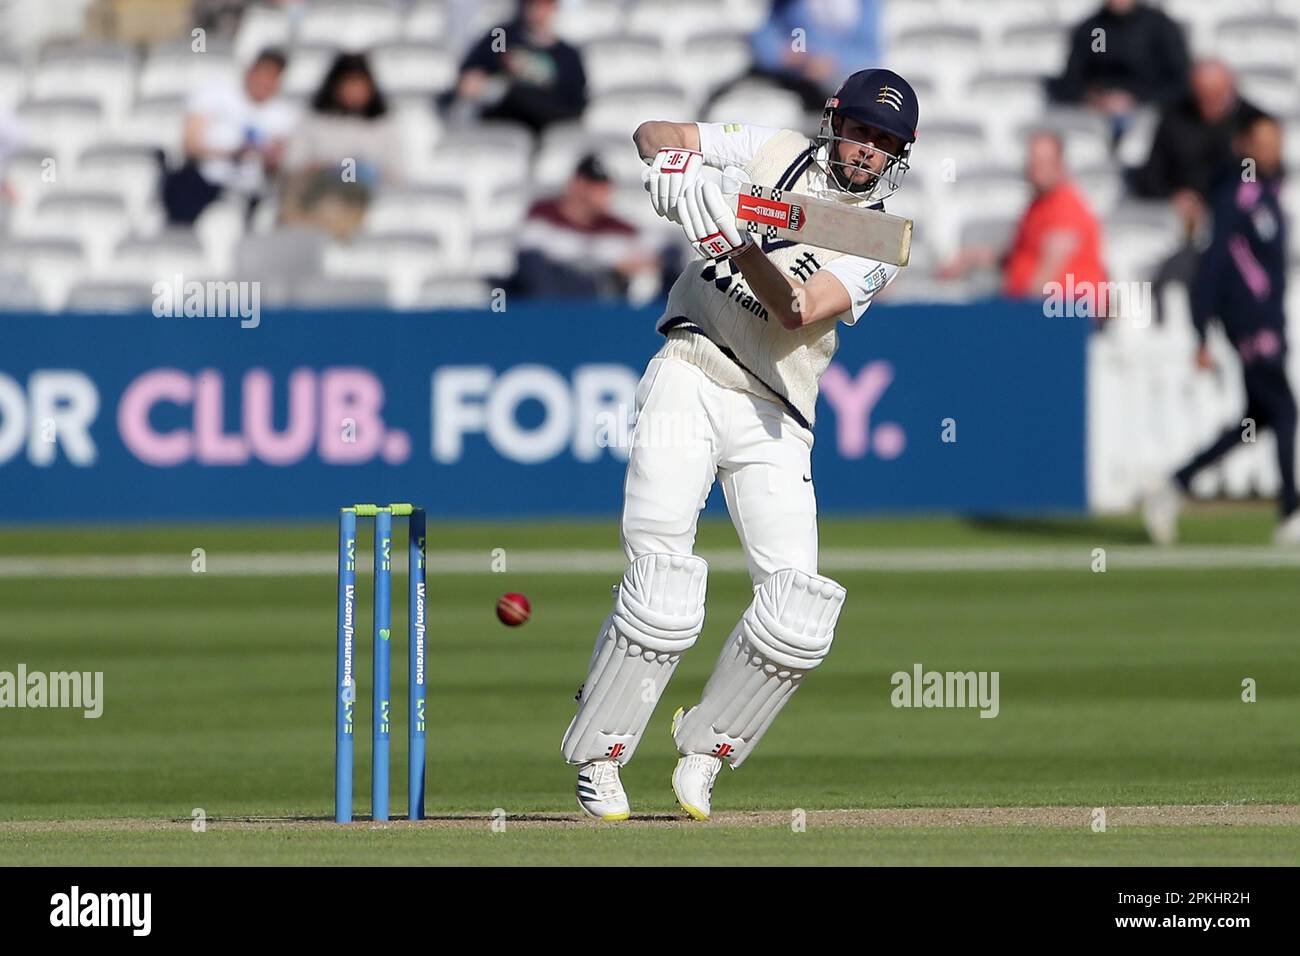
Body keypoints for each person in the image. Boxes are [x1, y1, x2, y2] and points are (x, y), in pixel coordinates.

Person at [559, 69, 917, 821]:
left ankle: (705, 745)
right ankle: (601, 752)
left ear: (899, 158)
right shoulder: (774, 150)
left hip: (776, 410)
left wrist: (735, 242)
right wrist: (669, 167)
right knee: (662, 587)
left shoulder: (878, 240)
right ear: (833, 122)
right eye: (860, 132)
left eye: (885, 145)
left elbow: (795, 309)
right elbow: (656, 131)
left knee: (798, 612)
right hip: (691, 368)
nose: (867, 153)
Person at [1143, 114, 1298, 546]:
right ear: (1245, 146)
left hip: (1269, 322)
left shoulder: (1268, 193)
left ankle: (1173, 485)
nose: (1271, 150)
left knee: (1258, 419)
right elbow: (1212, 268)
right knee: (1285, 409)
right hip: (1249, 325)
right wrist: (1201, 331)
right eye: (1263, 142)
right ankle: (1291, 512)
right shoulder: (1238, 194)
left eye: (1276, 141)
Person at [1130, 60, 1265, 319]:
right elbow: (1149, 175)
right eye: (1202, 95)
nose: (1208, 103)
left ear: (1230, 89)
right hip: (1179, 222)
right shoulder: (1174, 118)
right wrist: (1175, 195)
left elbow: (1260, 176)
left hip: (1233, 222)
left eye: (1216, 95)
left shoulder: (1252, 123)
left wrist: (1225, 202)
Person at [940, 131, 1108, 316]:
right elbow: (1020, 255)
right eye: (1033, 162)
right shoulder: (1037, 206)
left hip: (1061, 315)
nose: (1036, 169)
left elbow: (1048, 272)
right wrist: (972, 257)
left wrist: (1019, 314)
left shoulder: (1066, 207)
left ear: (1059, 164)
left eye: (1044, 163)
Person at [164, 48, 296, 224]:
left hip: (251, 191)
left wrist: (271, 158)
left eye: (273, 78)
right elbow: (190, 146)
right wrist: (233, 152)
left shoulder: (286, 116)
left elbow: (281, 165)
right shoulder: (213, 94)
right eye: (263, 74)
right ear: (250, 72)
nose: (265, 83)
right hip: (205, 180)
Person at [279, 52, 403, 239]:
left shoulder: (383, 125)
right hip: (318, 197)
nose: (354, 91)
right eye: (348, 84)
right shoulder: (314, 121)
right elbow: (292, 163)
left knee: (352, 170)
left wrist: (356, 170)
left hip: (366, 202)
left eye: (360, 84)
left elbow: (398, 173)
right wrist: (324, 168)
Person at [512, 154, 661, 300]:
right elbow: (532, 256)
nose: (603, 193)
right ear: (577, 184)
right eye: (595, 185)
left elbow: (647, 256)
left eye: (605, 186)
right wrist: (607, 260)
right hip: (553, 293)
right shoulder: (543, 213)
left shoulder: (616, 226)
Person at [1048, 0, 1189, 140]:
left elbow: (1180, 83)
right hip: (1097, 118)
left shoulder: (1160, 27)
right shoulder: (1095, 30)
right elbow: (1072, 81)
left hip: (1150, 117)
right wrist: (1096, 100)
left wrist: (1136, 99)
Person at [446, 0, 586, 135]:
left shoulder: (568, 56)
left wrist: (508, 92)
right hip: (499, 126)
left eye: (546, 3)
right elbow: (472, 76)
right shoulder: (502, 37)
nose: (539, 8)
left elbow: (572, 109)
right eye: (532, 2)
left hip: (543, 130)